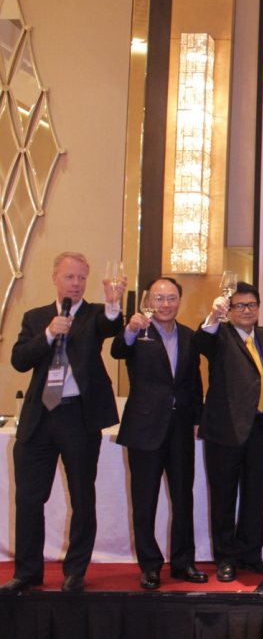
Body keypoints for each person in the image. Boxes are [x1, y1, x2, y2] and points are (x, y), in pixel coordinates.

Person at [2, 252, 126, 594]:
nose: (75, 284)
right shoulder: (35, 317)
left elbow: (111, 326)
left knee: (83, 497)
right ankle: (27, 571)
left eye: (82, 278)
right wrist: (46, 334)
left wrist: (114, 304)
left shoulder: (96, 314)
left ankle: (75, 571)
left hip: (78, 416)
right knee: (29, 497)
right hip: (39, 418)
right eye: (70, 277)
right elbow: (19, 360)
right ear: (55, 278)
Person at [111, 277, 206, 590]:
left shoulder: (191, 337)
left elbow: (193, 384)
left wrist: (197, 420)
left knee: (183, 499)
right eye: (159, 298)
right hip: (144, 429)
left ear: (180, 300)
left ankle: (183, 562)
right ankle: (150, 566)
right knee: (145, 501)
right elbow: (117, 351)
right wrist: (128, 329)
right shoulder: (138, 332)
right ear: (149, 301)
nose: (166, 304)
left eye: (171, 298)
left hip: (180, 430)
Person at [194, 281, 263, 583]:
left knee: (255, 495)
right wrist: (213, 318)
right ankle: (226, 557)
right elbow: (201, 344)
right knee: (223, 496)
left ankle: (250, 553)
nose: (246, 311)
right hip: (225, 429)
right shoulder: (219, 335)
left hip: (261, 428)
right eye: (239, 306)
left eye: (252, 305)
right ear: (230, 310)